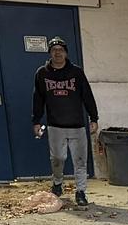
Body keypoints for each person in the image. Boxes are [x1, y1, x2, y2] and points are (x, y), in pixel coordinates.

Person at [31, 36, 99, 206]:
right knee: (58, 158)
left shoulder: (76, 73)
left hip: (77, 125)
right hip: (55, 125)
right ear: (50, 53)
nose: (58, 53)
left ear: (66, 53)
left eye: (61, 50)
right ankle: (57, 183)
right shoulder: (42, 73)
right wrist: (36, 121)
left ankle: (81, 192)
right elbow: (38, 98)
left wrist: (94, 117)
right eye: (54, 50)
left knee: (81, 161)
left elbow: (87, 96)